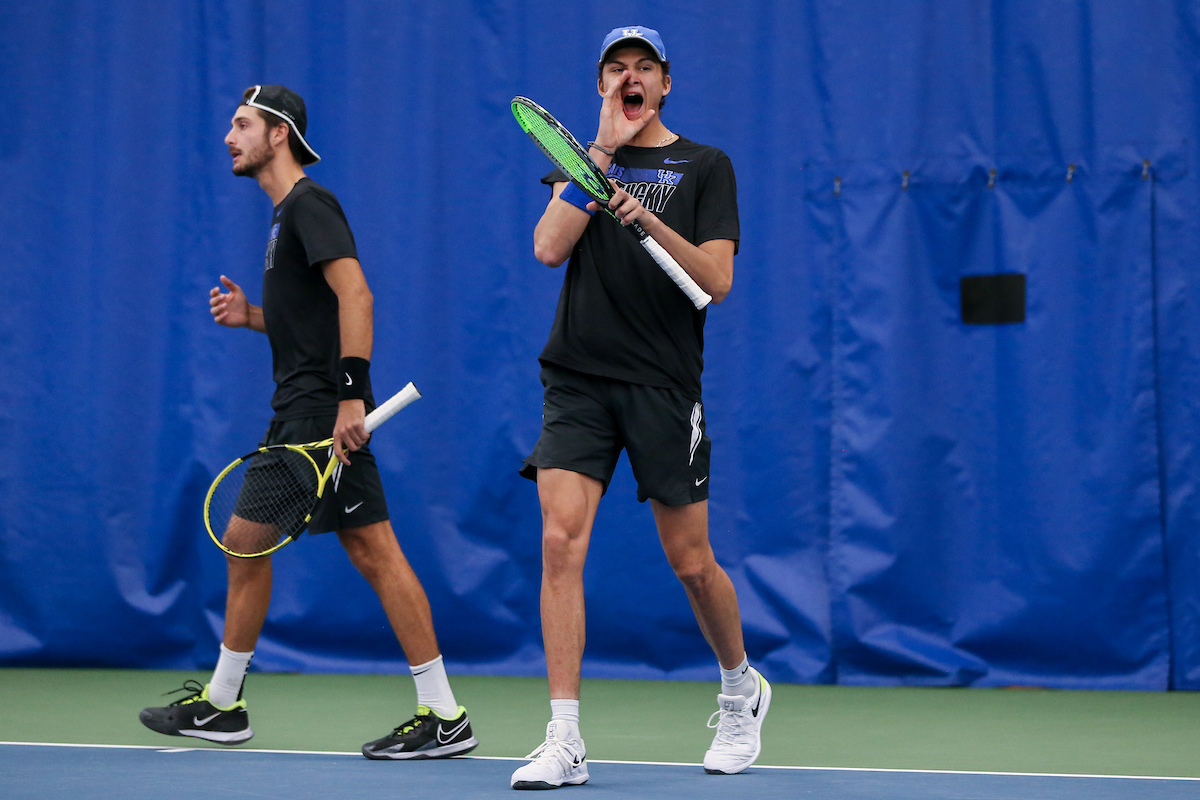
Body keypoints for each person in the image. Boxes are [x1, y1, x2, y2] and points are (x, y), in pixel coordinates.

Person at [138, 85, 476, 761]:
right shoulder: (282, 219)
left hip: (319, 412)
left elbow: (357, 294)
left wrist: (351, 399)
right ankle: (433, 714)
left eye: (242, 125)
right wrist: (253, 318)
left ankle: (232, 706)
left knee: (270, 544)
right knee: (333, 550)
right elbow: (314, 317)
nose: (229, 137)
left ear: (278, 135)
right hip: (307, 405)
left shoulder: (309, 205)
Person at [509, 27, 769, 790]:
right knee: (560, 542)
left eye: (643, 68)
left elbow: (716, 281)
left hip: (662, 383)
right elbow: (547, 249)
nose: (630, 78)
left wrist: (645, 216)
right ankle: (563, 740)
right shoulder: (577, 162)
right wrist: (597, 159)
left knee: (690, 563)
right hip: (578, 379)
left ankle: (738, 690)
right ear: (602, 88)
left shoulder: (705, 166)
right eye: (616, 69)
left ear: (664, 84)